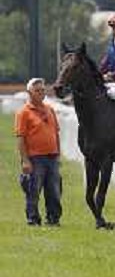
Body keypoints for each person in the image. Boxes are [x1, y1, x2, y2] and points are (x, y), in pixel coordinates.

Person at [14, 78, 62, 226]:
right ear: (29, 93)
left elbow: (56, 133)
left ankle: (53, 219)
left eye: (43, 90)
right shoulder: (24, 113)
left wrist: (58, 154)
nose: (41, 93)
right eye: (37, 91)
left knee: (54, 191)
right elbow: (21, 138)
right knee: (33, 191)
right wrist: (25, 161)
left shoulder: (50, 109)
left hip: (52, 157)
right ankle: (33, 219)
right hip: (35, 158)